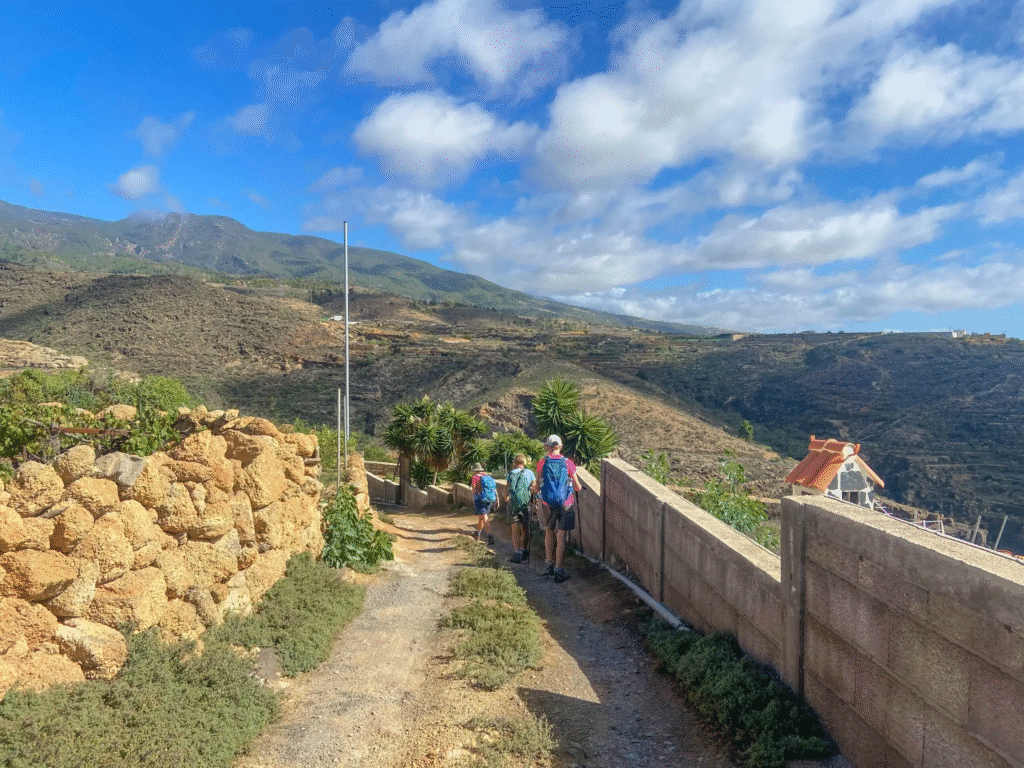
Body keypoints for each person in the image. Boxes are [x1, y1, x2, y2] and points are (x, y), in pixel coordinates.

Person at [536, 435, 582, 583]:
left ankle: (549, 565)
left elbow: (537, 486)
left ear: (547, 447)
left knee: (549, 532)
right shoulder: (568, 463)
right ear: (560, 447)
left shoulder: (541, 463)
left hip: (548, 503)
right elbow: (577, 486)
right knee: (561, 535)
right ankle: (559, 570)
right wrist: (578, 487)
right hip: (565, 502)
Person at [504, 453, 536, 564]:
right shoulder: (530, 472)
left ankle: (517, 553)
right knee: (525, 528)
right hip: (525, 504)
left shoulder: (511, 473)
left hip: (514, 505)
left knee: (515, 529)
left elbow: (507, 489)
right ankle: (525, 550)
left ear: (514, 463)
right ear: (524, 462)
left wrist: (506, 497)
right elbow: (534, 487)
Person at [470, 462, 496, 545]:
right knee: (481, 518)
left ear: (475, 470)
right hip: (488, 499)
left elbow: (473, 489)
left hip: (479, 500)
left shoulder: (475, 477)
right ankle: (477, 534)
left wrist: (474, 495)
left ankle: (490, 536)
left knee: (484, 518)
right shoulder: (486, 476)